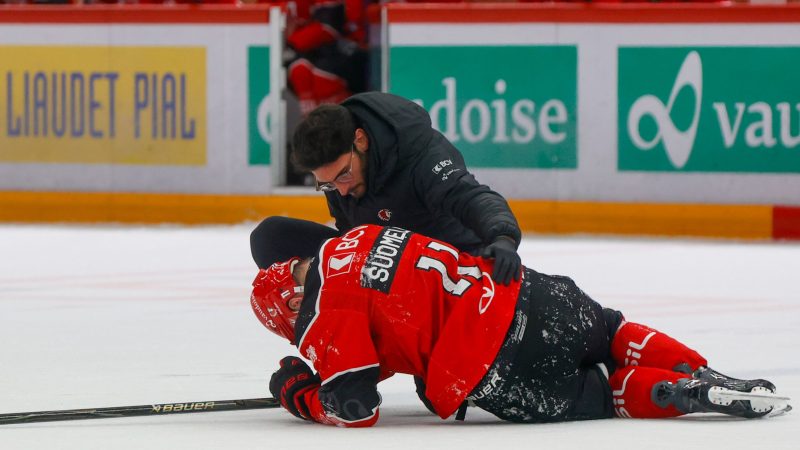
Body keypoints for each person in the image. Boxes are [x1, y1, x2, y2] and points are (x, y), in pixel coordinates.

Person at [249, 217, 789, 427]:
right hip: (525, 290)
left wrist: (299, 390)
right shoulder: (358, 236)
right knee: (613, 329)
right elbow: (391, 319)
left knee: (602, 391)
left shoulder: (321, 323)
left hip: (496, 367)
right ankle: (706, 371)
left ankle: (681, 393)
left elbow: (356, 407)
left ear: (291, 309)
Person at [252, 91, 522, 286]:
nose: (341, 191)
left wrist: (503, 238)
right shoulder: (340, 181)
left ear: (360, 140)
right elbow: (350, 235)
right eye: (327, 184)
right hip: (381, 266)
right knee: (271, 237)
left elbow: (471, 197)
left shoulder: (421, 155)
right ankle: (330, 339)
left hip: (442, 271)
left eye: (343, 175)